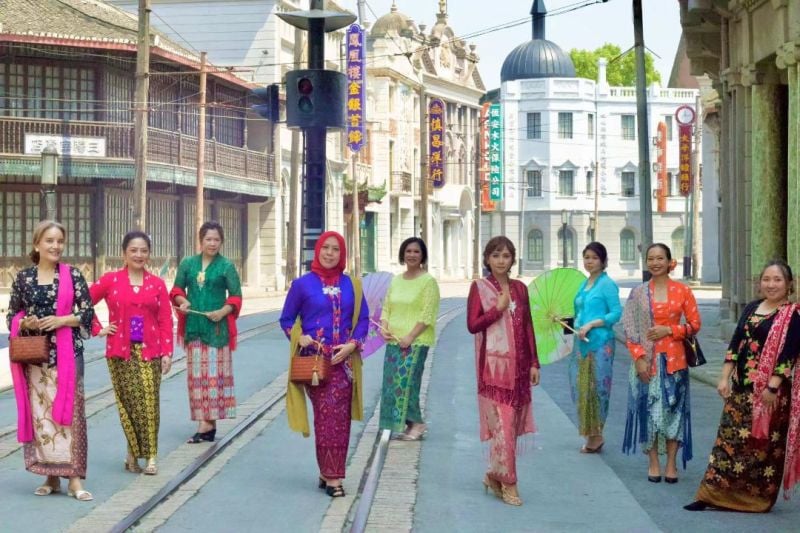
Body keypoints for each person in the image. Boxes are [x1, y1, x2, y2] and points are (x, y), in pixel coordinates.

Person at [685, 260, 800, 512]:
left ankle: (756, 500)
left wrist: (771, 388)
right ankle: (711, 494)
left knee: (762, 448)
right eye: (766, 279)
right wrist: (724, 377)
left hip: (771, 395)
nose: (771, 284)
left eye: (777, 280)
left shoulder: (792, 316)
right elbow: (736, 344)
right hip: (741, 388)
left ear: (789, 284)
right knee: (728, 440)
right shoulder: (751, 308)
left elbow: (788, 356)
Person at [6, 220, 95, 501]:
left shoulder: (73, 275)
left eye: (59, 241)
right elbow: (12, 317)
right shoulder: (24, 279)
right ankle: (51, 476)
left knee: (71, 416)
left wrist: (61, 320)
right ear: (37, 245)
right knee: (42, 418)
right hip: (36, 358)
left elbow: (88, 314)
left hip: (68, 355)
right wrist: (25, 321)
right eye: (49, 241)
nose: (55, 246)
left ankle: (75, 479)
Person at [279, 231, 369, 498]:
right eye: (325, 248)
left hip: (344, 363)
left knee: (339, 420)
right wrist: (300, 336)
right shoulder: (302, 285)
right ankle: (332, 477)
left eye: (335, 249)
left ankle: (328, 472)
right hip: (315, 363)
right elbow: (286, 320)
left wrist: (353, 344)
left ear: (343, 254)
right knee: (326, 417)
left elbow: (363, 319)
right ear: (317, 250)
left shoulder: (353, 284)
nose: (330, 253)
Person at [91, 231, 173, 475]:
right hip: (119, 351)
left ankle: (150, 457)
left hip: (151, 350)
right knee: (129, 404)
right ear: (124, 253)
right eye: (133, 250)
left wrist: (167, 351)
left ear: (149, 254)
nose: (139, 255)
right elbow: (82, 301)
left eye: (143, 250)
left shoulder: (156, 284)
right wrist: (99, 328)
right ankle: (131, 455)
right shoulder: (110, 280)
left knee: (149, 401)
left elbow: (165, 319)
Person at [466, 236, 540, 506]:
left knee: (508, 427)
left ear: (512, 259)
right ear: (487, 259)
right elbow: (472, 325)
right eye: (495, 255)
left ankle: (494, 475)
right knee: (504, 426)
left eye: (506, 256)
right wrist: (496, 310)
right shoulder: (481, 288)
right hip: (494, 369)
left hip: (520, 368)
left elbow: (528, 326)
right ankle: (509, 483)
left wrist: (534, 363)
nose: (501, 260)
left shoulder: (520, 289)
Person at [622, 243, 701, 484]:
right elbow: (629, 328)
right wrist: (638, 358)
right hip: (646, 362)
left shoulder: (683, 291)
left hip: (675, 362)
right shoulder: (638, 293)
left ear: (669, 262)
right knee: (649, 413)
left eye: (660, 258)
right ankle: (653, 462)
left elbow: (695, 324)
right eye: (650, 259)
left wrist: (670, 329)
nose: (655, 263)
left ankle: (671, 464)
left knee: (673, 413)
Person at [170, 221, 242, 443]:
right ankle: (206, 424)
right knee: (196, 378)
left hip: (217, 331)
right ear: (200, 240)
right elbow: (176, 290)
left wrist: (222, 312)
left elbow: (236, 296)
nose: (212, 243)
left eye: (216, 240)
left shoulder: (226, 267)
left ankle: (206, 424)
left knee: (214, 377)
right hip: (194, 328)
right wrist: (183, 302)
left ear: (222, 242)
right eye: (208, 239)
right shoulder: (188, 264)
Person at [379, 237, 440, 440]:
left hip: (416, 341)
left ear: (422, 256)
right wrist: (384, 327)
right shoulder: (396, 280)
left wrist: (410, 336)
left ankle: (417, 423)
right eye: (408, 251)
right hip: (394, 341)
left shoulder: (428, 282)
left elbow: (427, 314)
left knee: (409, 383)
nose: (412, 255)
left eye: (416, 251)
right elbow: (387, 306)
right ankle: (406, 422)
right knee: (392, 385)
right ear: (402, 254)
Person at [568, 242, 621, 453]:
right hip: (581, 344)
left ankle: (597, 435)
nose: (589, 261)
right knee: (581, 387)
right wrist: (564, 322)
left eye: (594, 258)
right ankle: (590, 432)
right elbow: (579, 314)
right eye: (586, 257)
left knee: (598, 388)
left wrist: (593, 324)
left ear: (603, 261)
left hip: (600, 344)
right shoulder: (584, 284)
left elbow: (616, 313)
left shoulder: (607, 284)